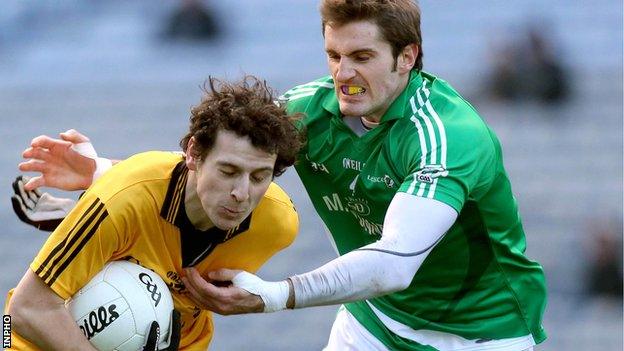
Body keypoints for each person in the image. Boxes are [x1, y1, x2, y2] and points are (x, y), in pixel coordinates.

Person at [11, 1, 547, 350]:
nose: (343, 74)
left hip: (485, 330)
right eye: (334, 55)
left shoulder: (448, 138)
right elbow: (220, 153)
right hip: (377, 323)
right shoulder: (310, 110)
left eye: (362, 56)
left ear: (408, 57)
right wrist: (106, 173)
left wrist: (274, 295)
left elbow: (394, 263)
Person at [6, 76, 302, 350]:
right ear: (194, 154)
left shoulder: (276, 225)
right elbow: (26, 308)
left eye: (260, 176)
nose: (242, 193)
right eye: (228, 171)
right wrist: (104, 188)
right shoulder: (123, 201)